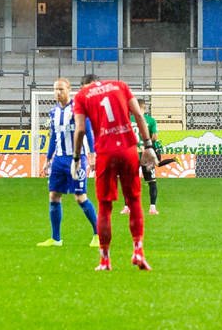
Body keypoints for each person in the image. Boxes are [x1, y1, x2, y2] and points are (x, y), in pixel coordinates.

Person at [71, 74, 153, 272]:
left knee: (105, 206)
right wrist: (148, 145)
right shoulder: (120, 85)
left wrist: (76, 158)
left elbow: (80, 130)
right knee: (134, 201)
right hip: (128, 149)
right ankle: (138, 251)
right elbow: (139, 116)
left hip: (105, 153)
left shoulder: (82, 96)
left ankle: (105, 260)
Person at [38, 77, 99, 247]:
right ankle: (56, 239)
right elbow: (53, 138)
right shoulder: (53, 112)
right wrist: (48, 159)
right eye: (56, 89)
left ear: (69, 90)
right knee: (54, 196)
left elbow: (88, 132)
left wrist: (92, 154)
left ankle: (98, 234)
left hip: (76, 159)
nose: (58, 93)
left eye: (61, 89)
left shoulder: (78, 109)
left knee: (80, 197)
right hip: (59, 160)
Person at [140, 106, 164, 215]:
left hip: (132, 153)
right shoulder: (150, 120)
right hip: (147, 153)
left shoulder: (128, 119)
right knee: (152, 181)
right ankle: (152, 208)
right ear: (144, 108)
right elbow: (154, 137)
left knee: (130, 180)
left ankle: (127, 207)